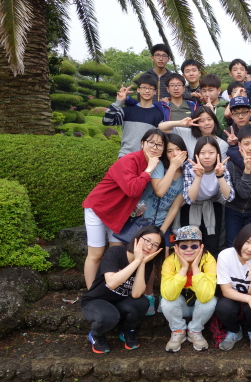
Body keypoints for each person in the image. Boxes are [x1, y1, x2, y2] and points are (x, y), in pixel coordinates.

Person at [82, 129, 167, 289]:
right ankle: (91, 294)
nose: (154, 147)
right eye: (151, 142)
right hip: (99, 208)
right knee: (96, 254)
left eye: (159, 145)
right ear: (142, 143)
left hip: (120, 214)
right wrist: (149, 170)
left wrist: (137, 206)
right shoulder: (129, 160)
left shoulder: (155, 165)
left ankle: (111, 290)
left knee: (118, 252)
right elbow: (132, 190)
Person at [81, 225, 164, 353]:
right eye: (147, 240)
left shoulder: (147, 263)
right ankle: (96, 335)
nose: (149, 247)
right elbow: (111, 283)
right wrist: (136, 261)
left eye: (155, 245)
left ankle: (127, 331)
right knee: (109, 316)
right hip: (96, 300)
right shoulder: (115, 252)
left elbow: (136, 294)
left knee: (142, 302)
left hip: (120, 301)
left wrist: (142, 263)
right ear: (137, 238)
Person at [137, 133, 187, 314]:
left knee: (163, 261)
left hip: (162, 224)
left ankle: (164, 296)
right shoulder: (159, 167)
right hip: (142, 220)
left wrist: (162, 231)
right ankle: (148, 296)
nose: (174, 154)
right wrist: (173, 167)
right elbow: (159, 191)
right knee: (146, 260)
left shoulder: (186, 176)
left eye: (177, 150)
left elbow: (174, 207)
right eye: (169, 151)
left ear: (184, 152)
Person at [160, 226, 217, 352]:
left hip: (199, 307)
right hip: (180, 307)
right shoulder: (169, 262)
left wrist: (195, 268)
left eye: (194, 246)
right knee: (166, 301)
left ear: (201, 247)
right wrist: (184, 268)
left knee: (210, 301)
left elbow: (206, 296)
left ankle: (195, 331)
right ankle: (178, 330)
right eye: (184, 246)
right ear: (176, 247)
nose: (189, 250)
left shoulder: (209, 260)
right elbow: (168, 295)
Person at [215, 224, 251, 351]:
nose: (250, 249)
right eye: (248, 242)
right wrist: (249, 299)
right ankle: (234, 331)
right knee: (223, 307)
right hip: (231, 296)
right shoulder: (225, 255)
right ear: (240, 239)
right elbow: (226, 291)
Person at [182, 136, 234, 258]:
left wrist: (219, 175)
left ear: (217, 154)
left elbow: (229, 197)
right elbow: (189, 199)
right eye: (202, 153)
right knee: (190, 246)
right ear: (196, 154)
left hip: (212, 205)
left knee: (212, 247)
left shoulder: (221, 167)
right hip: (191, 207)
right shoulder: (189, 166)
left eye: (211, 152)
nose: (207, 156)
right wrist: (198, 176)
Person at [104, 75, 169, 158]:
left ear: (155, 92)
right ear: (138, 89)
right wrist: (119, 102)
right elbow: (107, 121)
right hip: (125, 156)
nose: (147, 91)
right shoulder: (127, 111)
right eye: (144, 87)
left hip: (147, 158)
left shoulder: (158, 115)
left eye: (150, 88)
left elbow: (160, 140)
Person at [158, 105, 229, 161]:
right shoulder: (187, 133)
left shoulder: (222, 144)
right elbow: (162, 127)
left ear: (214, 121)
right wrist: (180, 123)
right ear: (196, 122)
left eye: (209, 119)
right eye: (202, 121)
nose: (207, 123)